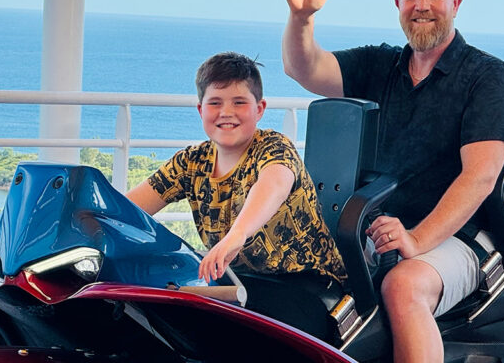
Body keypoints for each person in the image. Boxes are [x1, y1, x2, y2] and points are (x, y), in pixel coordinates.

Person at [278, 0, 504, 363]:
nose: (422, 4)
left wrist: (417, 240)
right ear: (397, 5)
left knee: (404, 285)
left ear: (457, 3)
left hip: (458, 237)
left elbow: (479, 179)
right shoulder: (382, 66)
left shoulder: (489, 78)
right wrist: (301, 17)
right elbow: (306, 68)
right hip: (374, 226)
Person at [126, 51, 346, 305]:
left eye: (239, 102)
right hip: (238, 284)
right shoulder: (190, 162)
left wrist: (236, 235)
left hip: (308, 285)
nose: (226, 112)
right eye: (215, 103)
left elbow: (274, 184)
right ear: (200, 110)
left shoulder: (274, 147)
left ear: (259, 109)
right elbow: (125, 210)